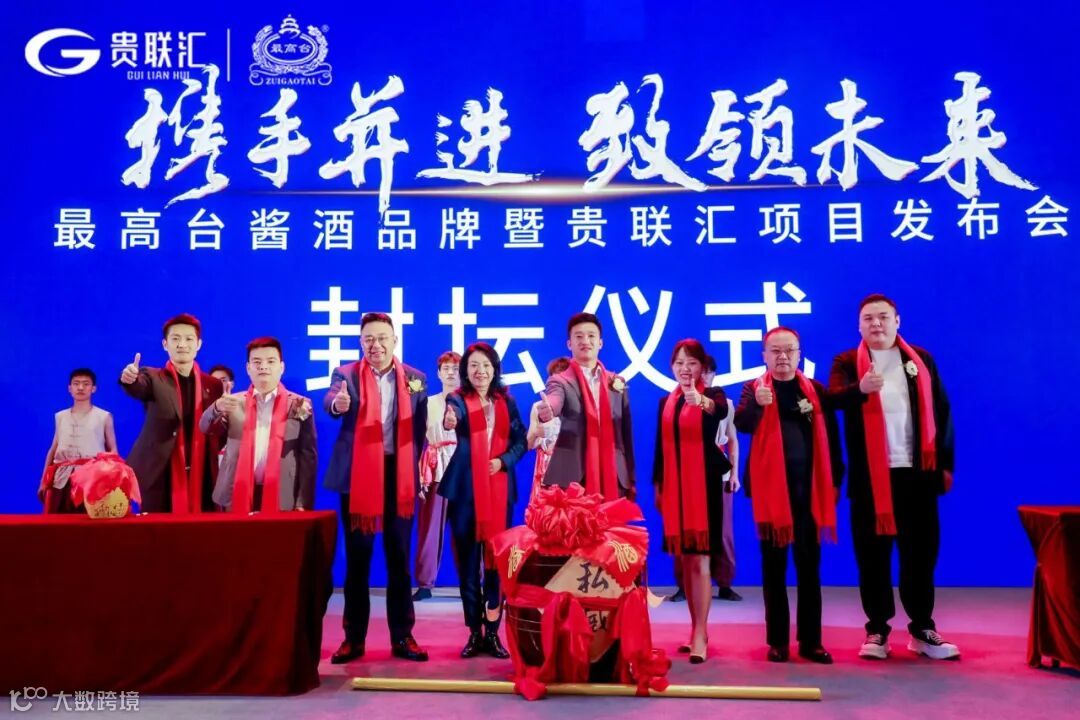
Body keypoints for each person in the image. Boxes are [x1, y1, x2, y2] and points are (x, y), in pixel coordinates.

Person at [829, 294, 958, 661]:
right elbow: (831, 398)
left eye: (883, 317)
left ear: (897, 321)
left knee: (920, 554)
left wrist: (945, 463)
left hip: (917, 475)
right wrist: (859, 390)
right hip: (870, 479)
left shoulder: (920, 360)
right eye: (868, 318)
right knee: (872, 557)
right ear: (859, 326)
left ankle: (922, 629)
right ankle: (877, 630)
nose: (876, 324)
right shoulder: (846, 363)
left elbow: (942, 412)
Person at [323, 312, 429, 663]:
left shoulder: (415, 379)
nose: (376, 345)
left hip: (398, 475)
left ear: (394, 341)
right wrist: (337, 405)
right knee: (358, 560)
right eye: (369, 339)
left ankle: (403, 636)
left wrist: (414, 470)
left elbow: (420, 430)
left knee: (399, 558)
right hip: (358, 475)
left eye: (382, 338)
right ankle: (353, 639)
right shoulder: (346, 375)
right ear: (360, 342)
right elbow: (332, 400)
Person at [735, 327, 843, 664]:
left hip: (809, 492)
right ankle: (778, 641)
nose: (782, 357)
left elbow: (832, 437)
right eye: (775, 351)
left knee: (809, 568)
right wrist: (757, 406)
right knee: (774, 569)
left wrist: (835, 480)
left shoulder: (814, 390)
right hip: (771, 495)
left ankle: (811, 641)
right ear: (764, 356)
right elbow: (741, 424)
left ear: (799, 354)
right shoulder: (754, 388)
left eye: (789, 350)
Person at [439, 342, 527, 659]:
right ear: (466, 370)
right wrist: (450, 420)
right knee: (467, 566)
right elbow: (454, 416)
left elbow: (520, 441)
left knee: (495, 565)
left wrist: (502, 461)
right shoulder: (458, 399)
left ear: (494, 369)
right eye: (474, 365)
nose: (480, 371)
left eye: (486, 365)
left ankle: (492, 632)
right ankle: (474, 633)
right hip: (465, 492)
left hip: (500, 492)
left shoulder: (507, 402)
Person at [652, 339, 732, 663]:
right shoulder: (666, 402)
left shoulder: (713, 395)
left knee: (700, 560)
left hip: (704, 488)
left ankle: (701, 632)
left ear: (702, 367)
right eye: (679, 363)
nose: (685, 369)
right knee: (685, 561)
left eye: (692, 363)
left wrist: (701, 401)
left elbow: (720, 411)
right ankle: (694, 627)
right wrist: (658, 485)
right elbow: (660, 448)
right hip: (674, 489)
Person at [119, 313, 224, 513]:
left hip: (203, 473)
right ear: (165, 344)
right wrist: (129, 379)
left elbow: (216, 428)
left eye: (188, 339)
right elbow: (138, 386)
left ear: (199, 344)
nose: (182, 344)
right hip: (160, 473)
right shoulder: (153, 377)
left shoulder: (213, 385)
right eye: (175, 339)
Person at [200, 337, 316, 513]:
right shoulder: (233, 402)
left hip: (283, 492)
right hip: (235, 489)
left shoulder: (300, 404)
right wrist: (216, 407)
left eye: (270, 361)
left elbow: (308, 457)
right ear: (248, 368)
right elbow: (206, 428)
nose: (263, 367)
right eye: (257, 362)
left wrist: (302, 501)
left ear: (281, 367)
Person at [536, 313, 635, 500]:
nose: (585, 341)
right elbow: (555, 400)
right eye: (579, 336)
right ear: (569, 344)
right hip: (573, 477)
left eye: (591, 336)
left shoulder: (616, 383)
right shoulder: (559, 381)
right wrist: (549, 410)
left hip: (614, 476)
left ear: (600, 343)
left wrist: (631, 477)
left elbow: (625, 434)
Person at [671, 355, 743, 603]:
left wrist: (734, 474)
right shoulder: (676, 402)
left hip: (718, 473)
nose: (704, 376)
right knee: (684, 531)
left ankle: (725, 583)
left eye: (709, 372)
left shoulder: (725, 404)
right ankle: (683, 585)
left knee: (723, 532)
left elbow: (733, 440)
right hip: (686, 474)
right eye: (700, 371)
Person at [413, 350, 461, 601]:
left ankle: (472, 582)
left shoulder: (472, 402)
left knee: (466, 530)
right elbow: (416, 439)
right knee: (429, 528)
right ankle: (424, 583)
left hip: (463, 470)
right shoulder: (427, 403)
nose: (451, 373)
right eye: (446, 369)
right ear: (439, 374)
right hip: (435, 469)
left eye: (456, 369)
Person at [39, 368, 118, 513]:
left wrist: (112, 481)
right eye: (76, 383)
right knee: (58, 521)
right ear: (70, 388)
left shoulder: (104, 417)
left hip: (92, 479)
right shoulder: (60, 417)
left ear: (93, 388)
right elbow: (53, 449)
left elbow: (113, 451)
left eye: (86, 384)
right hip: (61, 479)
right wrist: (43, 481)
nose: (80, 388)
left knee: (88, 521)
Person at [524, 357, 570, 497]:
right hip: (545, 467)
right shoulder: (538, 407)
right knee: (545, 508)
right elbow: (529, 444)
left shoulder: (579, 408)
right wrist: (537, 432)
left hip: (571, 468)